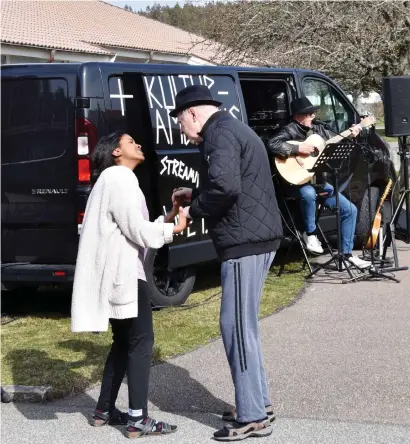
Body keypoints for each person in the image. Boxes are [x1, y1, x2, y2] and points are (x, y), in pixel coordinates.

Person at [170, 85, 283, 441]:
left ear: (191, 113)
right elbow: (229, 181)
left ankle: (251, 416)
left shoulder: (218, 133)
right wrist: (197, 194)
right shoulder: (230, 128)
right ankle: (259, 403)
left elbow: (225, 187)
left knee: (234, 325)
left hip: (244, 242)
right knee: (244, 325)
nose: (181, 132)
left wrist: (192, 209)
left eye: (180, 122)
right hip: (256, 236)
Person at [71, 132, 186, 438]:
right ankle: (138, 418)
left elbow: (131, 226)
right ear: (116, 152)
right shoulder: (120, 177)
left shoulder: (110, 180)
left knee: (123, 342)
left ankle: (104, 410)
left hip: (116, 273)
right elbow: (137, 231)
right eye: (130, 141)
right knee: (141, 341)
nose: (137, 144)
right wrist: (174, 228)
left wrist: (169, 216)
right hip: (124, 276)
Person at [267, 96, 370, 269]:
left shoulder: (320, 129)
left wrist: (353, 133)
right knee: (307, 193)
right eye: (309, 113)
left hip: (318, 183)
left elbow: (335, 141)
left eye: (313, 113)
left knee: (350, 209)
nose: (313, 116)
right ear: (298, 116)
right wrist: (297, 149)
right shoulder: (289, 130)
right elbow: (272, 144)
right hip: (295, 184)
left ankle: (346, 254)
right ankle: (311, 233)